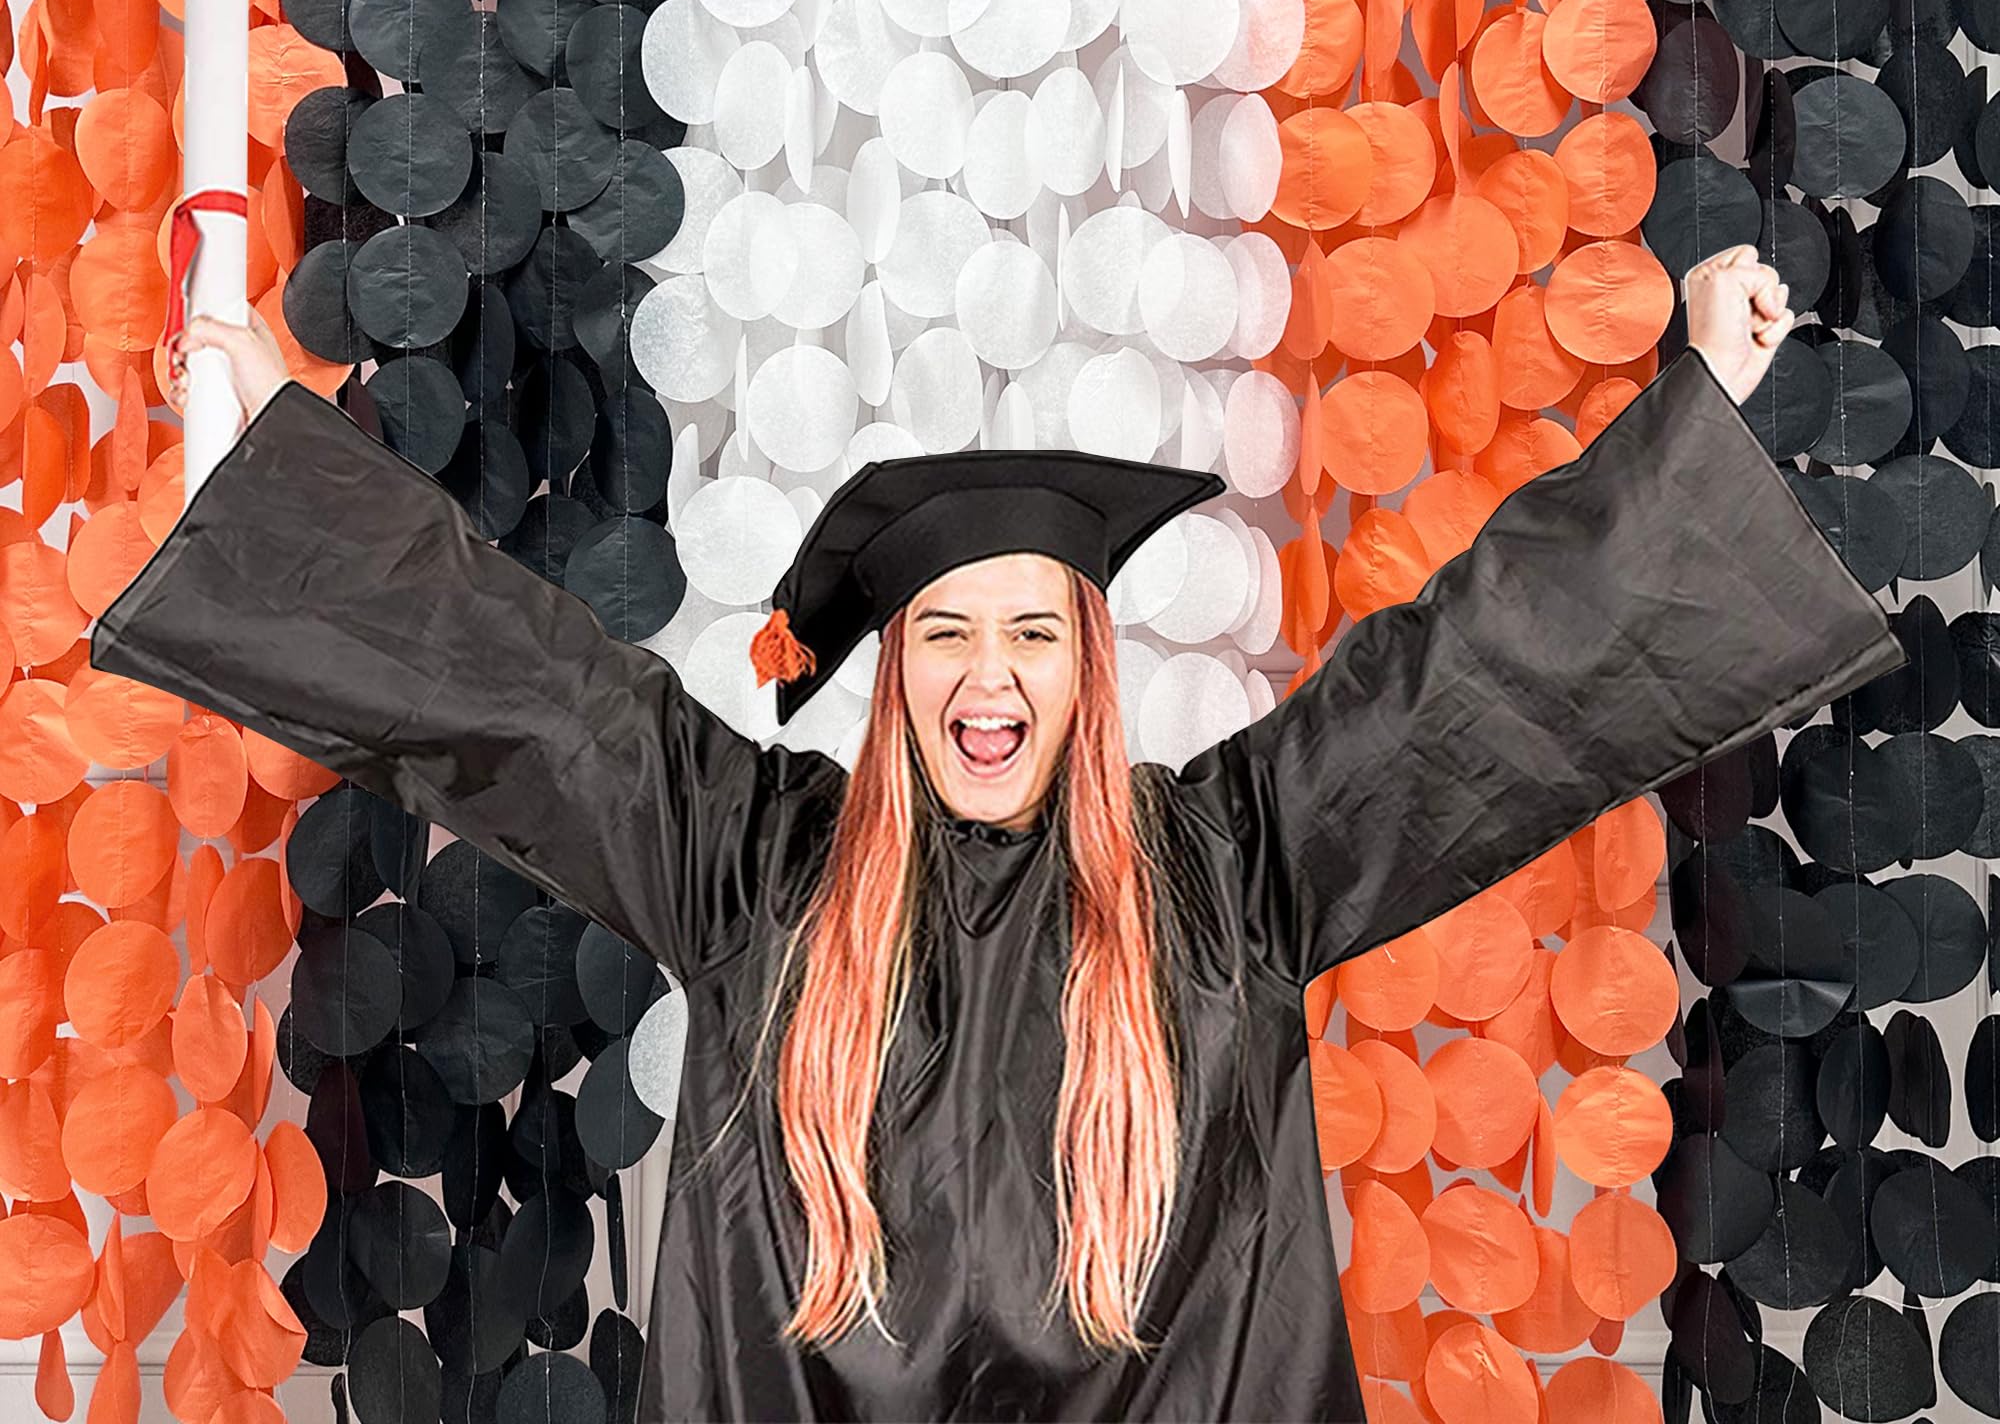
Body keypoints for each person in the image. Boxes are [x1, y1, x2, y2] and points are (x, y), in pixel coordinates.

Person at [92, 246, 1904, 1424]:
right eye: (946, 631)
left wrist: (1701, 417)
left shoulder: (1234, 868)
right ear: (895, 675)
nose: (989, 674)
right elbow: (513, 690)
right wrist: (263, 451)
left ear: (1085, 668)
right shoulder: (751, 860)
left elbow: (1482, 678)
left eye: (1033, 630)